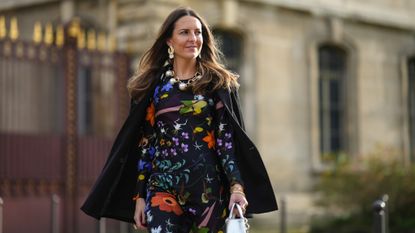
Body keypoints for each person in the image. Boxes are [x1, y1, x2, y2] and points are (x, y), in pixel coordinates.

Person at [81, 6, 277, 233]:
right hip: (162, 188)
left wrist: (237, 187)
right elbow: (147, 144)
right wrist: (140, 196)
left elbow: (226, 142)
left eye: (198, 32)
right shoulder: (153, 86)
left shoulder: (217, 83)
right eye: (184, 32)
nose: (193, 38)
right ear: (169, 41)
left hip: (210, 189)